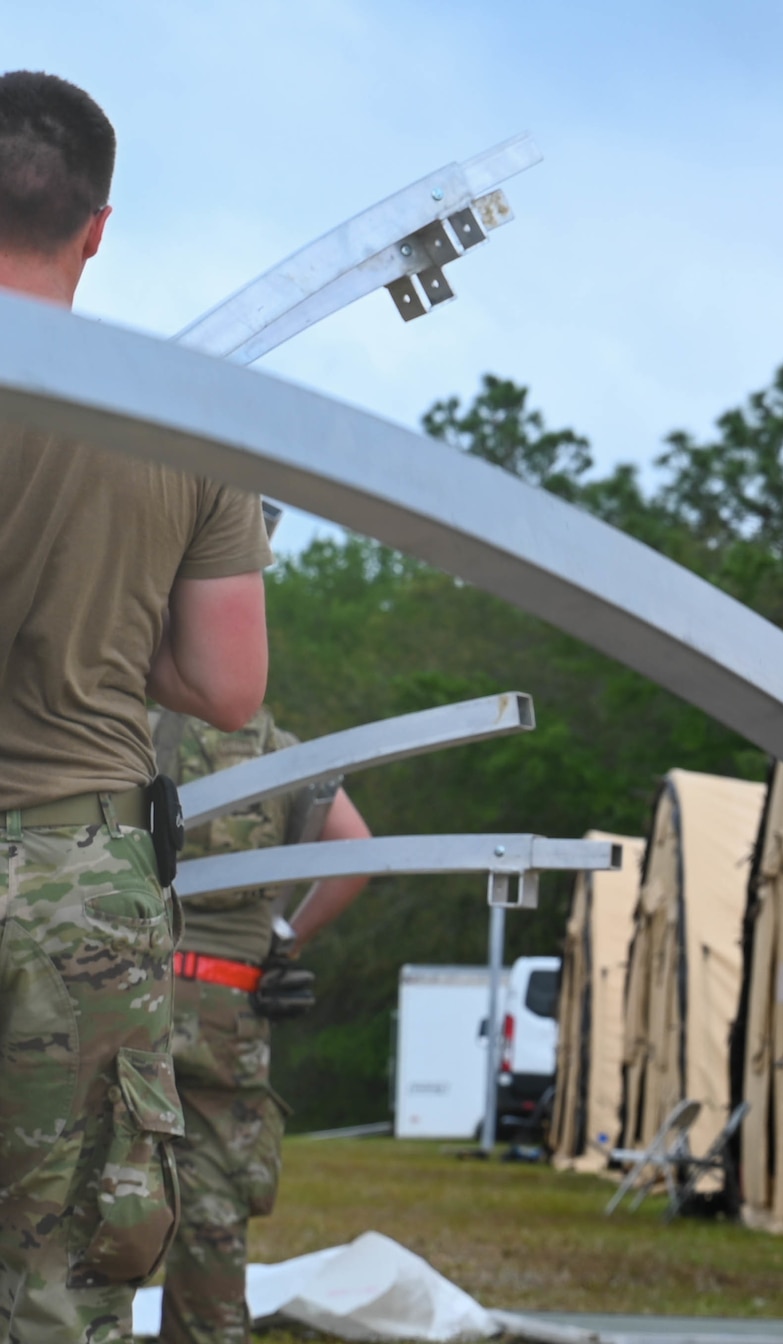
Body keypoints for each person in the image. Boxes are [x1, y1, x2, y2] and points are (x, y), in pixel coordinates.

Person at [0, 71, 272, 1344]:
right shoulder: (185, 423)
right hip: (77, 882)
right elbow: (228, 688)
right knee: (67, 1266)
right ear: (99, 225)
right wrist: (110, 635)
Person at [153, 702, 373, 1344]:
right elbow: (355, 849)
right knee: (214, 1210)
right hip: (232, 1005)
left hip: (135, 998)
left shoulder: (132, 733)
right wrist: (286, 938)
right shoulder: (286, 754)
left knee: (99, 1187)